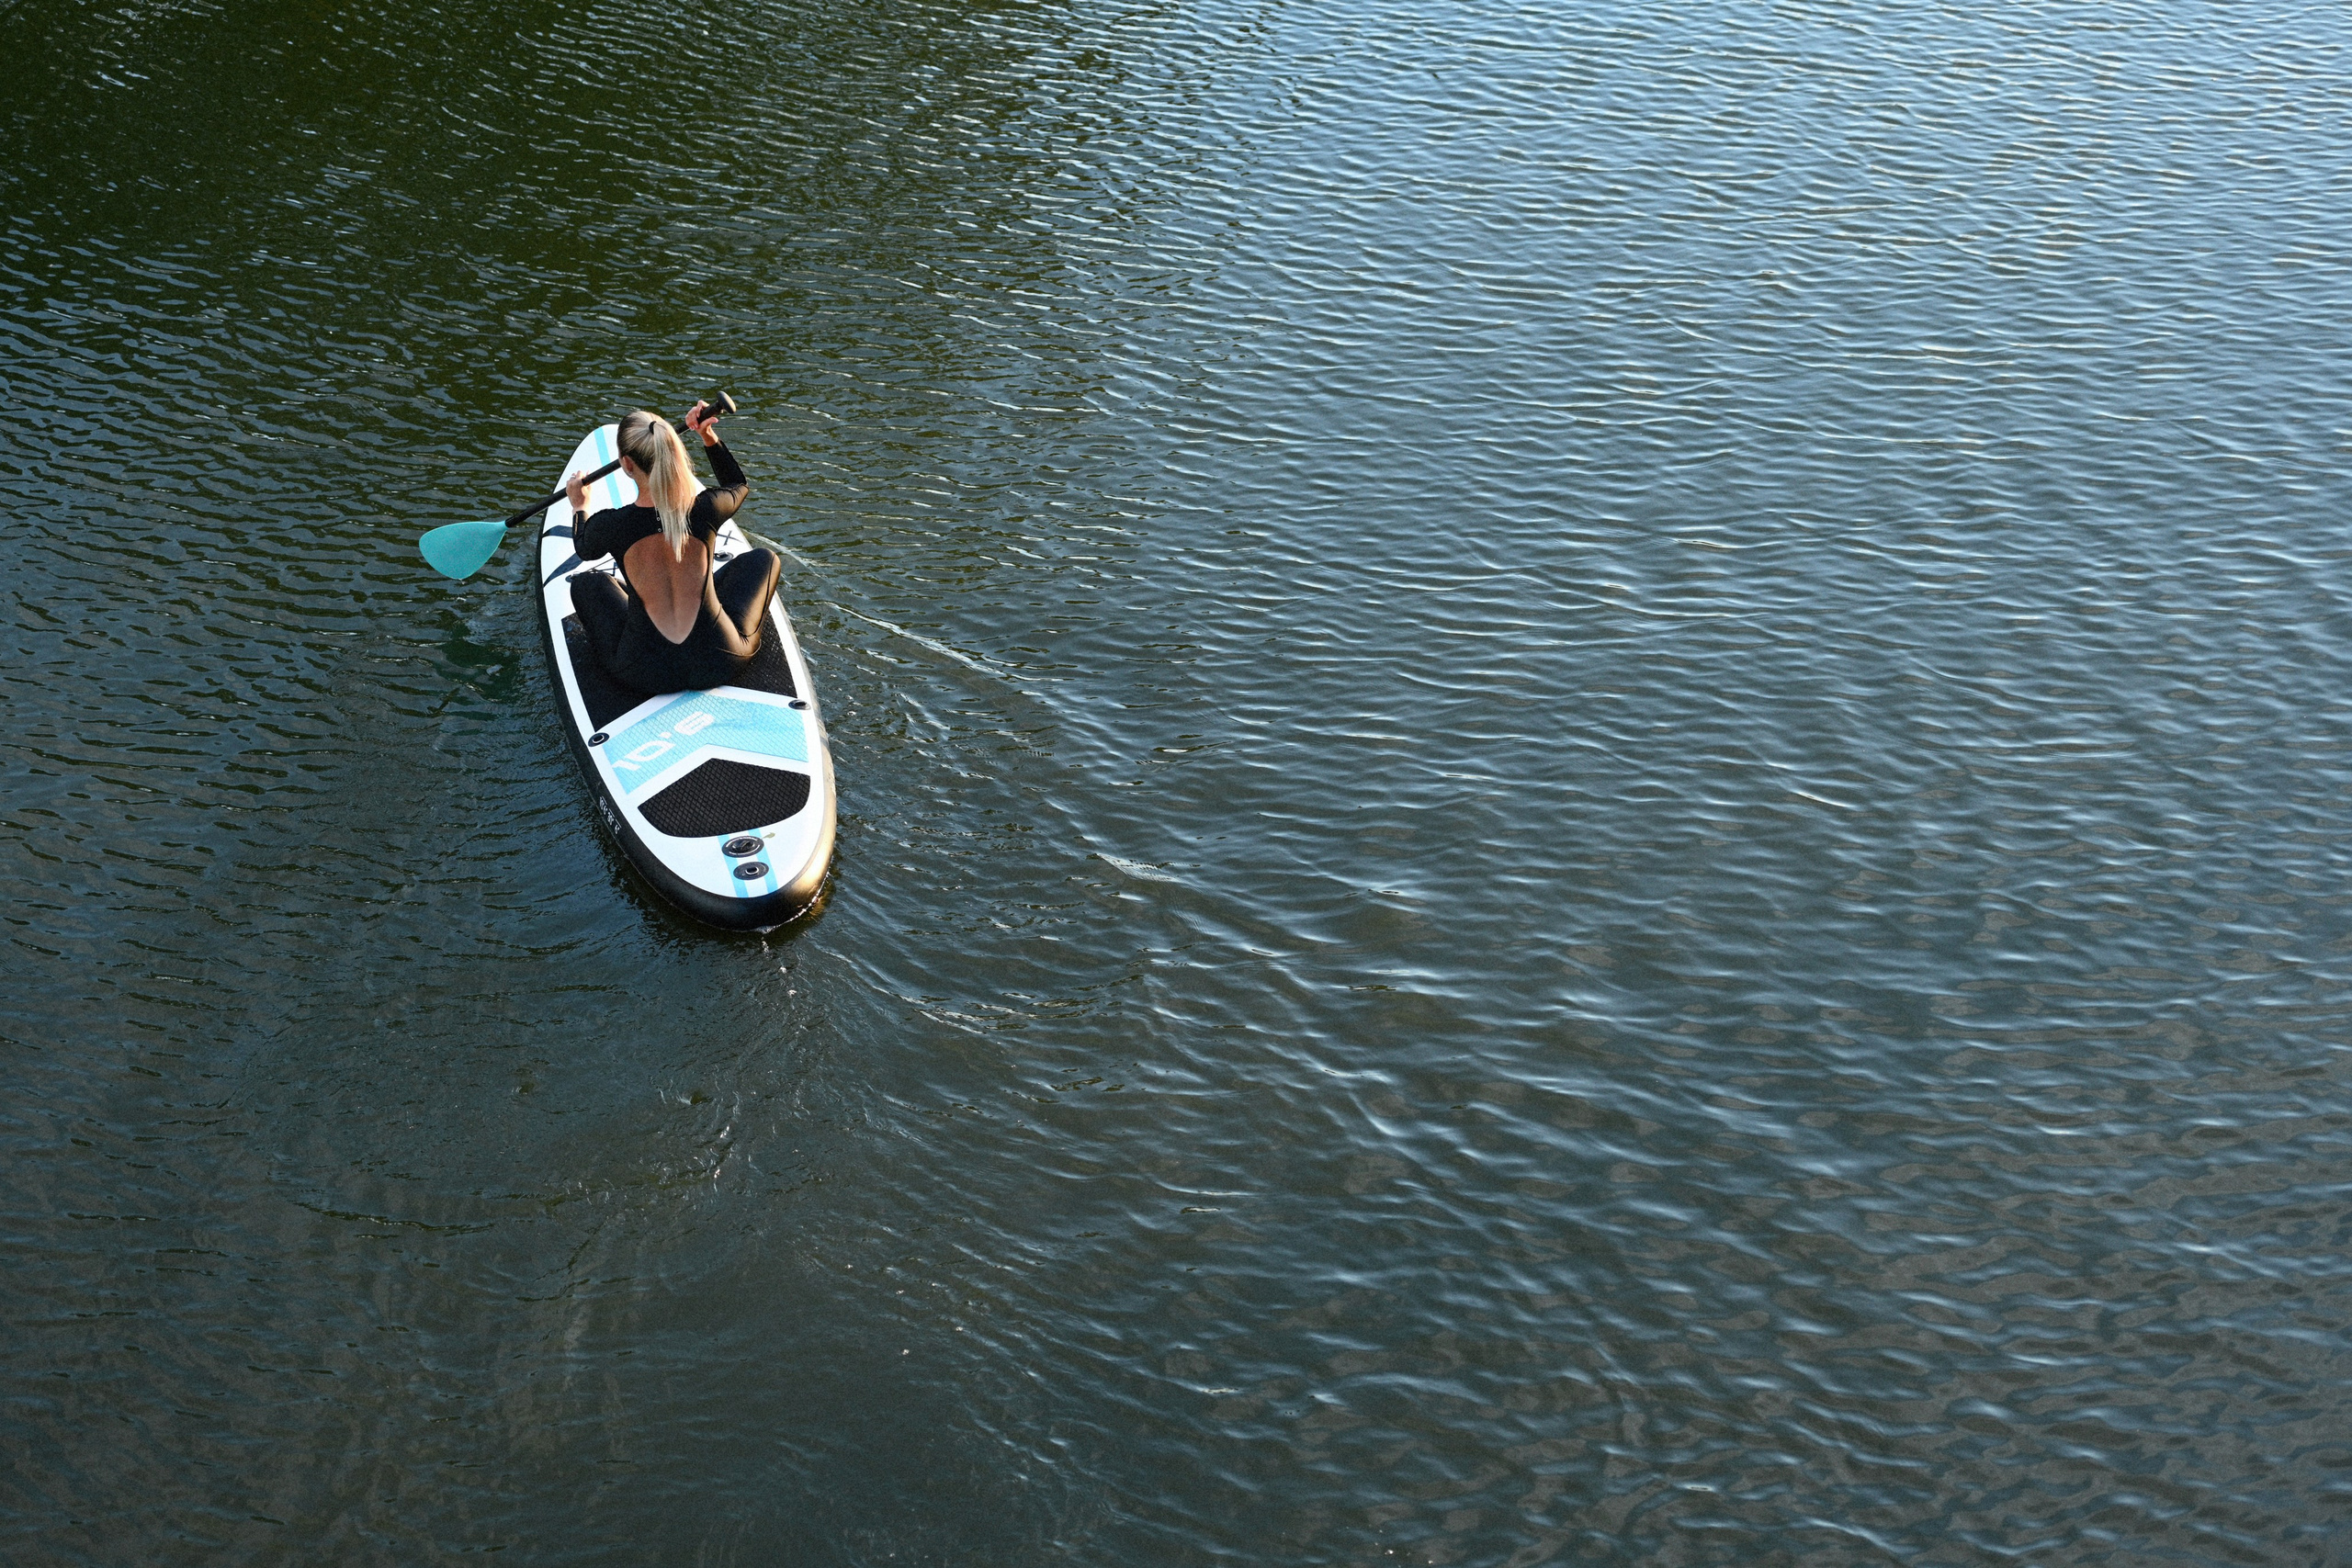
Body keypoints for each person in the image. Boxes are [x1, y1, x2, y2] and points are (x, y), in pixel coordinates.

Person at [564, 400, 780, 694]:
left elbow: (585, 548)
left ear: (627, 464)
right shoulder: (707, 507)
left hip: (642, 672)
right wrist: (708, 437)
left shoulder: (612, 525)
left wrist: (580, 505)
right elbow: (737, 484)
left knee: (587, 584)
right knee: (764, 559)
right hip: (721, 660)